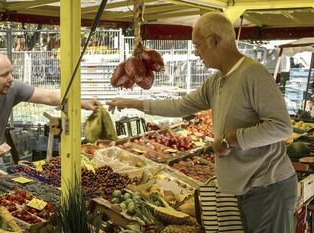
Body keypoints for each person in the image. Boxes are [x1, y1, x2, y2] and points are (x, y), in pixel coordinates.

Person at [107, 12, 296, 233]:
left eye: (197, 45)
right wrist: (132, 102)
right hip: (246, 189)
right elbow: (180, 106)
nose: (196, 53)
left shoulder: (253, 74)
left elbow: (281, 127)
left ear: (213, 40)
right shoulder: (217, 81)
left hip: (267, 189)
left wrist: (231, 140)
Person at [0, 52, 100, 179]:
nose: (11, 79)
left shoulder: (12, 89)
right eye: (4, 75)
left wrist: (82, 102)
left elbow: (49, 96)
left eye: (11, 73)